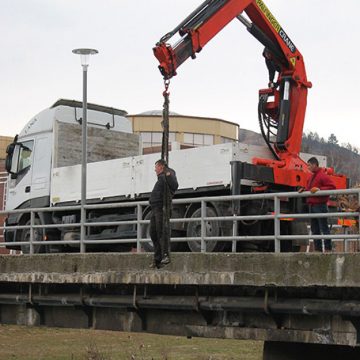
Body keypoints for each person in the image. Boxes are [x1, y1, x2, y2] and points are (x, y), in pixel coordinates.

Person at [299, 157, 336, 252]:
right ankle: (318, 250)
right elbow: (310, 189)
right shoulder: (312, 176)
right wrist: (304, 190)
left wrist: (320, 190)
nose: (308, 167)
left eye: (309, 165)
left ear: (315, 165)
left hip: (320, 205)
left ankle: (328, 249)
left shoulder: (322, 176)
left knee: (324, 228)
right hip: (312, 205)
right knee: (315, 229)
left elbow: (332, 187)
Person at [149, 159, 178, 269]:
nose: (154, 170)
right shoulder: (161, 178)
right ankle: (157, 259)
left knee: (162, 232)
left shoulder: (168, 175)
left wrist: (167, 172)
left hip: (162, 208)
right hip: (155, 208)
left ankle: (165, 256)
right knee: (153, 233)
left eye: (156, 167)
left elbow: (175, 184)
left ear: (161, 167)